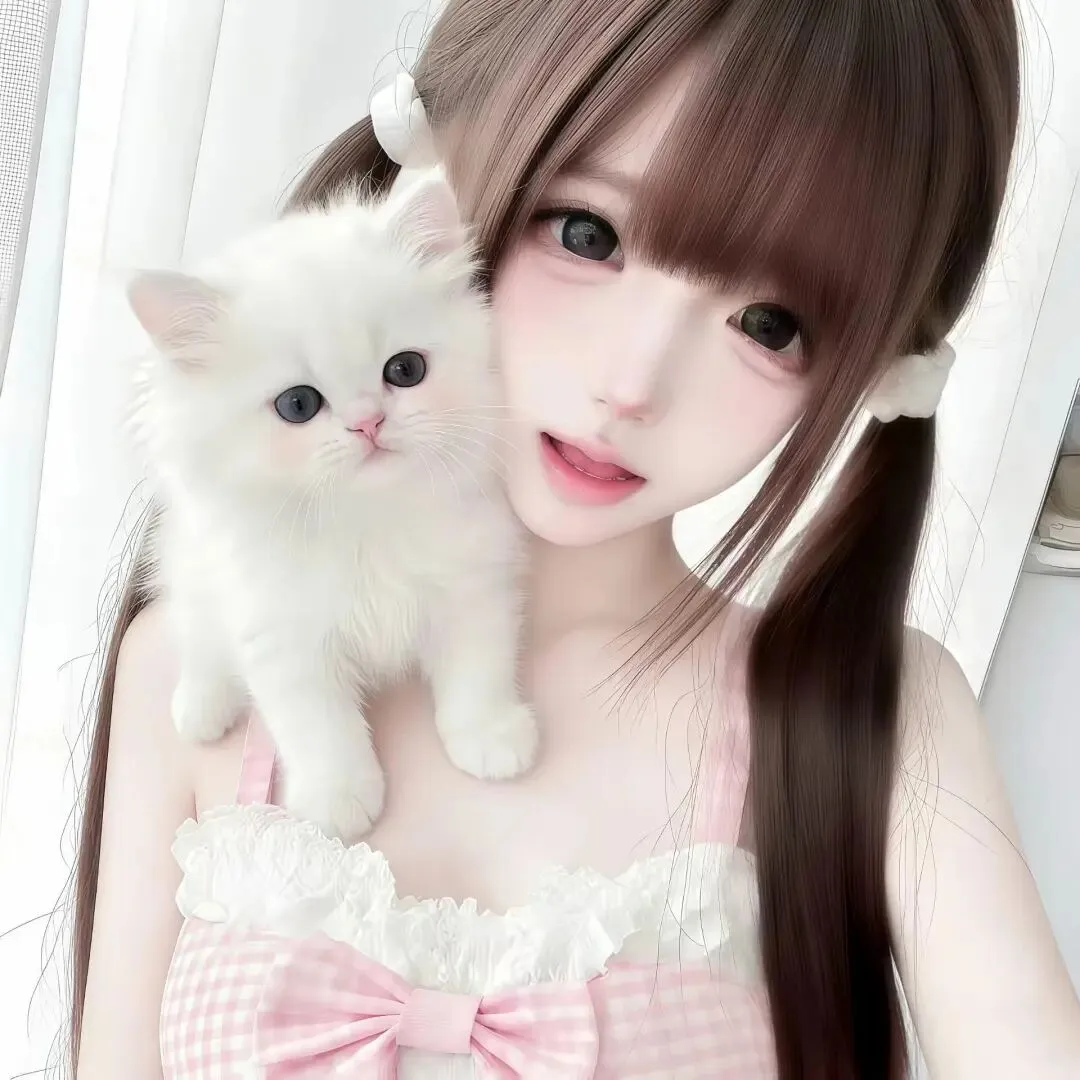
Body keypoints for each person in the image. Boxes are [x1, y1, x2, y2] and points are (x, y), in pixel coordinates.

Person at [69, 1, 1080, 1078]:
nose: (634, 384)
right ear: (445, 182)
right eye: (589, 234)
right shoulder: (199, 665)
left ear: (878, 371)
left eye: (771, 324)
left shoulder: (875, 712)